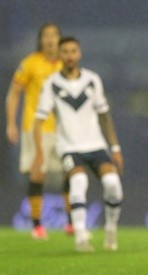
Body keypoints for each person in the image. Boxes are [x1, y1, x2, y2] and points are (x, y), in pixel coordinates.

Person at [32, 37, 123, 252]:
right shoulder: (51, 83)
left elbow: (105, 116)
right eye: (65, 51)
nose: (70, 55)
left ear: (79, 54)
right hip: (69, 146)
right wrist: (39, 153)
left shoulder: (92, 80)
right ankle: (81, 236)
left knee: (112, 183)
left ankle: (110, 229)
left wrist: (115, 147)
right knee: (79, 181)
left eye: (73, 51)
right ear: (59, 55)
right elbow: (38, 120)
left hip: (95, 144)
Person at [5, 22, 73, 239]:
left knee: (70, 172)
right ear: (41, 39)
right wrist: (10, 123)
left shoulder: (66, 64)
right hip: (36, 127)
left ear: (59, 39)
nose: (50, 39)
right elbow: (14, 93)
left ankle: (72, 223)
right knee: (38, 173)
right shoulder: (30, 63)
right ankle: (36, 225)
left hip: (64, 129)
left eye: (54, 35)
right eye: (46, 35)